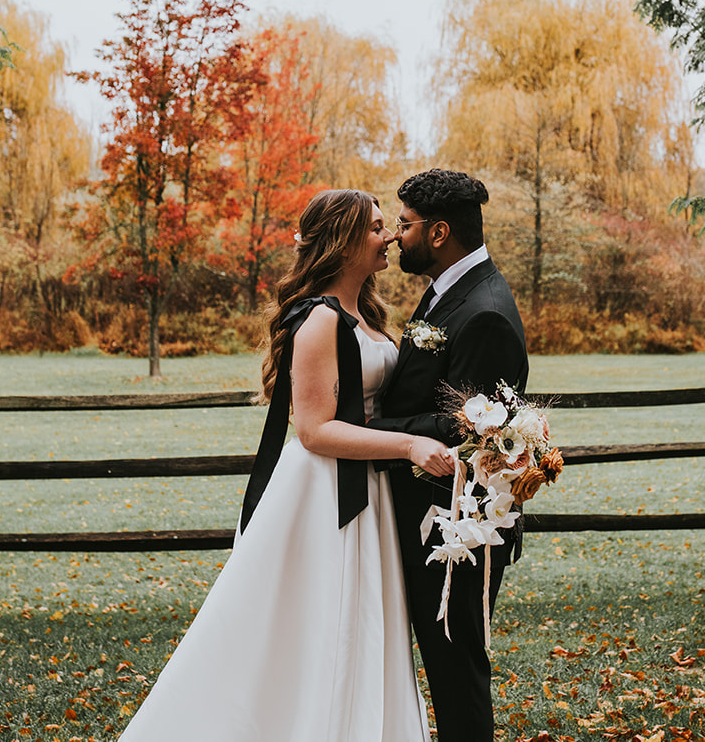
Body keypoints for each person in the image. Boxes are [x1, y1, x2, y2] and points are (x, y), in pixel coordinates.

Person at [115, 189, 455, 742]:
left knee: (362, 621)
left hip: (365, 485)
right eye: (374, 228)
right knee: (311, 623)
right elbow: (315, 430)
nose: (389, 235)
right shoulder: (320, 320)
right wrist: (409, 446)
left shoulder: (364, 313)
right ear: (344, 243)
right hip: (324, 492)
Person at [369, 168, 530, 742]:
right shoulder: (448, 291)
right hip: (428, 511)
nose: (395, 237)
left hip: (459, 523)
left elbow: (463, 428)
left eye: (405, 225)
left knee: (456, 668)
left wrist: (370, 428)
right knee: (444, 663)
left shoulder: (483, 310)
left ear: (439, 233)